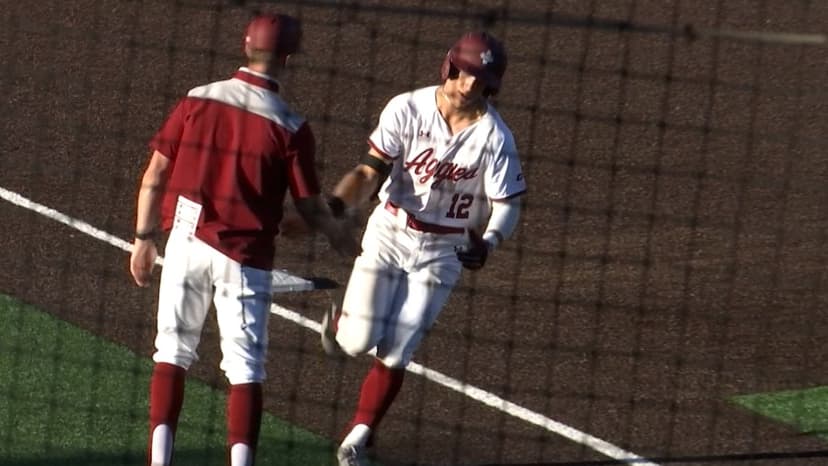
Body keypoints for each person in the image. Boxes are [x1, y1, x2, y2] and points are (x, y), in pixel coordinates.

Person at [128, 12, 359, 466]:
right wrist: (339, 236)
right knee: (245, 368)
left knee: (172, 351)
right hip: (246, 259)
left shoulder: (197, 99)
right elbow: (310, 206)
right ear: (288, 59)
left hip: (186, 244)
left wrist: (142, 238)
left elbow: (155, 174)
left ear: (245, 45)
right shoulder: (290, 125)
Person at [320, 31, 527, 465]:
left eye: (480, 78)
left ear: (492, 83)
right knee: (357, 343)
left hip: (444, 250)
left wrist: (489, 243)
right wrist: (338, 203)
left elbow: (508, 204)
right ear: (449, 67)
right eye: (464, 73)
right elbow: (370, 169)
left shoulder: (495, 138)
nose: (469, 84)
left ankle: (358, 436)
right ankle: (345, 322)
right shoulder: (407, 107)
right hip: (390, 233)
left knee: (399, 348)